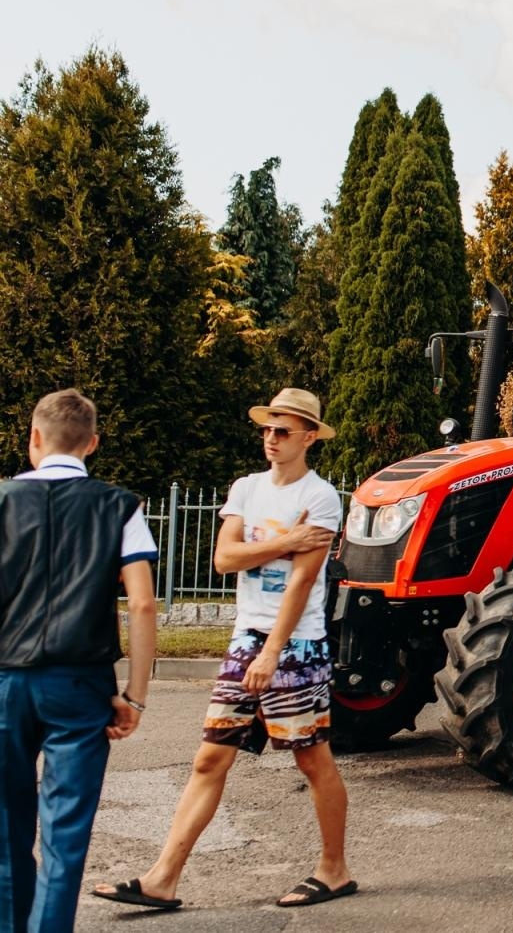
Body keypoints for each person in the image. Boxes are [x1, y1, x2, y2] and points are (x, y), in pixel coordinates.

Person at [94, 388, 356, 912]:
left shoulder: (321, 497)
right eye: (267, 429)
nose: (272, 439)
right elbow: (224, 558)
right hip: (245, 638)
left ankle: (334, 870)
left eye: (283, 431)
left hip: (295, 644)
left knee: (311, 758)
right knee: (210, 758)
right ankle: (162, 878)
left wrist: (271, 653)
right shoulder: (246, 489)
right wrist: (284, 543)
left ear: (308, 436)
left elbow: (304, 584)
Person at [1, 389, 158, 933]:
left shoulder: (1, 501)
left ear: (34, 438)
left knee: (5, 833)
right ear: (92, 443)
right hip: (80, 681)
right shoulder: (119, 505)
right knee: (65, 834)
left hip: (4, 679)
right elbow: (140, 602)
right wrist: (134, 695)